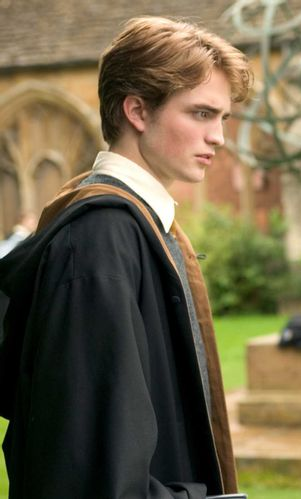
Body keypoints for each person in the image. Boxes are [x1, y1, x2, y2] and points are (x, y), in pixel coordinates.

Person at [0, 16, 251, 498]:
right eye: (201, 113)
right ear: (137, 111)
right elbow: (93, 471)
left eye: (223, 118)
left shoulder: (137, 225)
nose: (218, 136)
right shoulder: (101, 239)